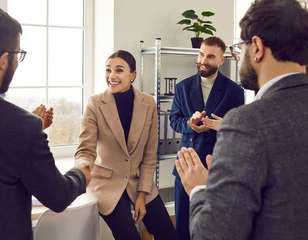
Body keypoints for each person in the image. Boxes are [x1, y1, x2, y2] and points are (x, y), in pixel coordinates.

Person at [176, 0, 308, 239]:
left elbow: (214, 234)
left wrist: (200, 189)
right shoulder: (183, 87)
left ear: (256, 47)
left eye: (240, 47)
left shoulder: (246, 123)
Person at [0, 5, 91, 240]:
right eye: (18, 54)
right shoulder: (21, 127)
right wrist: (81, 175)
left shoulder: (22, 126)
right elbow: (57, 196)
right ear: (2, 60)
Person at [75, 50, 177, 240]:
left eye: (119, 70)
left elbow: (149, 153)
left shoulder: (148, 103)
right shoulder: (95, 104)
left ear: (133, 75)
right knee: (129, 236)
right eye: (108, 70)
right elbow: (85, 149)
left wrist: (142, 195)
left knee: (169, 234)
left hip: (139, 181)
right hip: (106, 183)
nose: (112, 76)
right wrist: (83, 166)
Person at [169, 36, 244, 239]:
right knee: (183, 226)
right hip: (186, 166)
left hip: (218, 169)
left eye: (210, 56)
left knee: (213, 226)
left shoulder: (235, 91)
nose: (203, 60)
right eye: (201, 54)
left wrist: (224, 126)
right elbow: (174, 120)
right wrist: (189, 124)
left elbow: (241, 132)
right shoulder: (182, 88)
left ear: (222, 60)